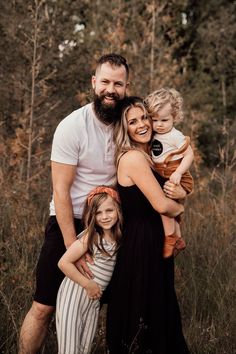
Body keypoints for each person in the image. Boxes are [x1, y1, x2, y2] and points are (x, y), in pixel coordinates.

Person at [18, 53, 130, 354]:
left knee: (98, 306)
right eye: (105, 81)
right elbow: (61, 190)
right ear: (94, 83)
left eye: (118, 84)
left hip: (109, 221)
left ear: (126, 87)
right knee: (43, 306)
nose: (111, 89)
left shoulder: (128, 124)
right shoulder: (73, 126)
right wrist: (73, 245)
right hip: (70, 221)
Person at [106, 96, 190, 353]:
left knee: (158, 308)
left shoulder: (151, 153)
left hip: (153, 240)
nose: (142, 124)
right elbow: (162, 205)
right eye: (133, 121)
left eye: (145, 117)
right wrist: (181, 208)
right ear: (124, 128)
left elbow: (172, 191)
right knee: (144, 308)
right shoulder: (132, 158)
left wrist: (181, 195)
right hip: (141, 244)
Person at [56, 186, 122, 354]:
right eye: (98, 213)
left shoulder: (119, 237)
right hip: (75, 293)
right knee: (70, 347)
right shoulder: (91, 236)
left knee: (85, 347)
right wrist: (87, 284)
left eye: (109, 210)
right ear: (92, 216)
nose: (104, 216)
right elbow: (63, 263)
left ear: (118, 210)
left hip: (92, 300)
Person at [144, 88, 194, 258]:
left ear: (175, 117)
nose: (159, 124)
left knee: (164, 208)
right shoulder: (154, 134)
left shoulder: (175, 136)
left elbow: (189, 154)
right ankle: (178, 237)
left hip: (175, 175)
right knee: (168, 209)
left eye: (164, 120)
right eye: (154, 119)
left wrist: (179, 172)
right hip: (162, 174)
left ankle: (170, 238)